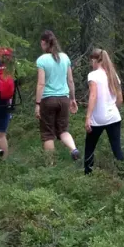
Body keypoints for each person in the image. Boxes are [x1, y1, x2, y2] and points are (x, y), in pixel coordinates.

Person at [35, 30, 80, 160]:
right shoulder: (65, 58)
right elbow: (70, 80)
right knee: (63, 130)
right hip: (63, 99)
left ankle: (51, 165)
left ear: (44, 43)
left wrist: (38, 104)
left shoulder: (42, 60)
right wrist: (72, 98)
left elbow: (41, 84)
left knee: (48, 134)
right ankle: (73, 148)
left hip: (48, 100)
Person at [84, 48, 124, 174]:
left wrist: (88, 117)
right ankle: (123, 172)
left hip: (98, 118)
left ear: (95, 60)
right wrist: (113, 108)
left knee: (90, 146)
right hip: (114, 116)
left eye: (92, 60)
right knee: (116, 147)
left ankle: (88, 173)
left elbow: (93, 96)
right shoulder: (113, 75)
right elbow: (120, 98)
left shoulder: (93, 75)